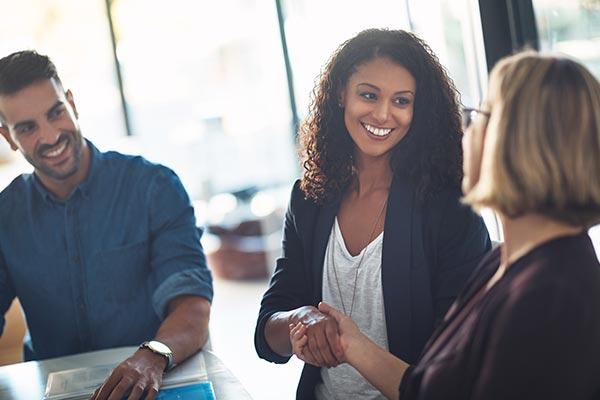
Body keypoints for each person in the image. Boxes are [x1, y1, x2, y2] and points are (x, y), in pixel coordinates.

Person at [294, 51, 600, 399]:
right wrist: (351, 344)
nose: (464, 133)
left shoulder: (552, 293)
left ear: (519, 143)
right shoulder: (506, 265)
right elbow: (433, 390)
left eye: (479, 117)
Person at [255, 28, 491, 399]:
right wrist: (299, 321)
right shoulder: (309, 198)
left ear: (419, 109)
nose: (383, 114)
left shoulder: (449, 210)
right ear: (340, 95)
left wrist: (353, 346)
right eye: (368, 95)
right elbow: (268, 329)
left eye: (401, 100)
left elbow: (458, 367)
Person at [0, 51, 213, 400]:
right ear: (8, 137)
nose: (51, 135)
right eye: (27, 127)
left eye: (56, 113)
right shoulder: (5, 216)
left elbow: (192, 304)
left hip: (155, 381)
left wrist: (152, 356)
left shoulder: (153, 187)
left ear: (71, 103)